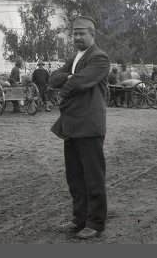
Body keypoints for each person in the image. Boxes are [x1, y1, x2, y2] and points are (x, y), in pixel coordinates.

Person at [48, 16, 109, 239]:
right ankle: (79, 219)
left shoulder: (100, 58)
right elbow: (53, 79)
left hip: (89, 126)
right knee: (74, 177)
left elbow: (79, 83)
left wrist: (67, 86)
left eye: (82, 33)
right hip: (71, 125)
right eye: (74, 34)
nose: (77, 38)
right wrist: (70, 76)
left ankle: (95, 223)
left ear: (93, 34)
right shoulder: (74, 57)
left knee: (93, 177)